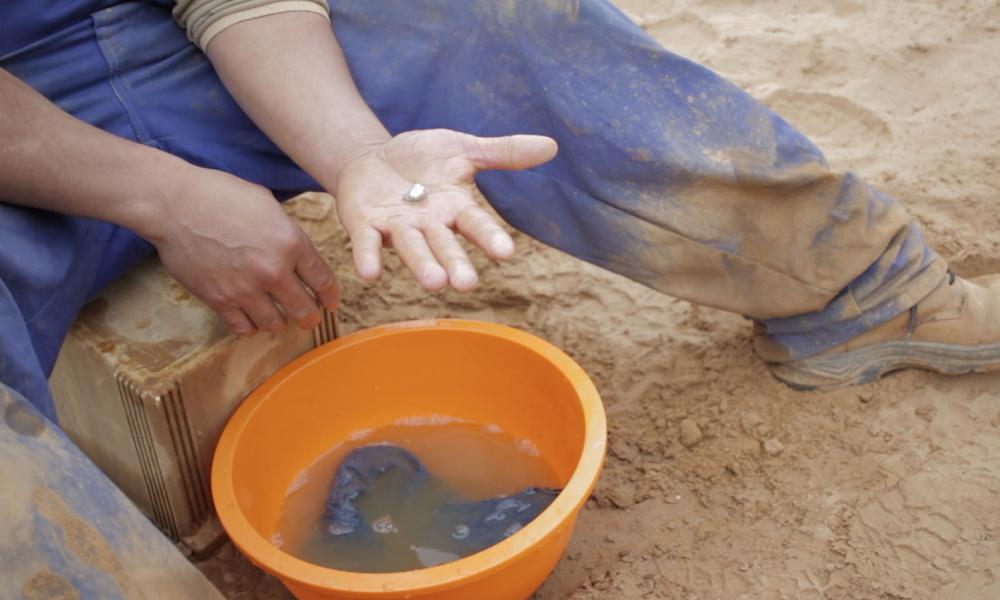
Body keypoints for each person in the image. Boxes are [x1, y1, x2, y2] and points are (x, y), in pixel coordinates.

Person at [1, 0, 999, 591]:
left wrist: (359, 157)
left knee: (489, 15)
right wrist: (161, 194)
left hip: (153, 37)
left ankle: (861, 290)